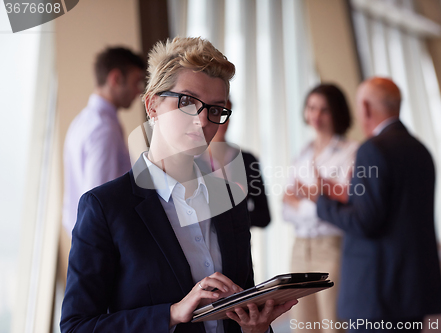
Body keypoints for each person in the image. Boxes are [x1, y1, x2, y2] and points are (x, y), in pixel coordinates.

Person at [60, 37, 296, 333]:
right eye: (187, 101)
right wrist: (171, 314)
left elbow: (242, 306)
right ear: (152, 105)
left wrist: (257, 328)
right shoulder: (105, 208)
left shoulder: (230, 201)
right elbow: (76, 326)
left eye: (215, 109)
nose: (202, 120)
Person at [314, 77, 441, 332]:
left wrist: (323, 202)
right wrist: (349, 196)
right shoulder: (421, 150)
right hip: (410, 290)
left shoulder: (372, 149)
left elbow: (366, 222)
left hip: (376, 293)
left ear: (365, 107)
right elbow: (397, 210)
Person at [283, 84, 359, 333]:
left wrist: (305, 198)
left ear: (337, 112)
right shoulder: (302, 153)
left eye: (324, 109)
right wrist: (316, 201)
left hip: (331, 248)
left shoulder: (351, 152)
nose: (316, 115)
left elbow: (347, 202)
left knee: (333, 324)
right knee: (303, 325)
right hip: (300, 248)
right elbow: (285, 206)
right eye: (312, 107)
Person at [62, 46, 146, 236]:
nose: (138, 92)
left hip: (85, 237)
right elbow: (98, 199)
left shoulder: (81, 121)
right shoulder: (104, 129)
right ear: (116, 78)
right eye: (136, 82)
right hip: (102, 241)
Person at [195, 99, 271, 228]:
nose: (221, 121)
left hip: (240, 244)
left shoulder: (247, 160)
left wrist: (237, 212)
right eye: (215, 113)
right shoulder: (192, 164)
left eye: (224, 115)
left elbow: (264, 217)